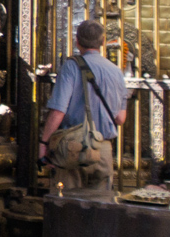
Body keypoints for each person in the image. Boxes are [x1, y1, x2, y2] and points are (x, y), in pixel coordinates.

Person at [40, 19, 128, 195]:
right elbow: (120, 118)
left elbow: (58, 111)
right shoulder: (116, 72)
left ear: (77, 41)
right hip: (103, 149)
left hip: (73, 149)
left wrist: (44, 142)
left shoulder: (71, 67)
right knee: (100, 209)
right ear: (102, 42)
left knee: (67, 206)